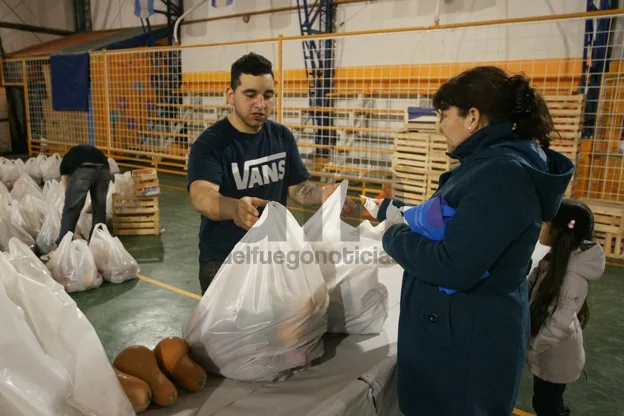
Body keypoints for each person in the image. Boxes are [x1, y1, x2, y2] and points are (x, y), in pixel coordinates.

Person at [375, 66, 575, 415]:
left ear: (472, 117)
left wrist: (393, 236)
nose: (439, 125)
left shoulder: (502, 175)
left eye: (443, 115)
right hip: (459, 332)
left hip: (466, 345)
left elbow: (454, 266)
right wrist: (389, 210)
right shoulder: (486, 166)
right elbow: (447, 220)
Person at [187, 52, 355, 295]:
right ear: (230, 95)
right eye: (250, 94)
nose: (260, 103)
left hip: (272, 255)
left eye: (268, 95)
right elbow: (202, 196)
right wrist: (235, 208)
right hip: (225, 260)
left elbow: (296, 187)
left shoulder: (281, 137)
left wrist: (322, 194)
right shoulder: (211, 144)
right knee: (227, 333)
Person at [527, 199, 605, 416]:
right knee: (549, 401)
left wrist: (531, 350)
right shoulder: (557, 260)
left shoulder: (570, 276)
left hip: (555, 356)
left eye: (546, 224)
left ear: (559, 231)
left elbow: (557, 324)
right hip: (551, 352)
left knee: (545, 404)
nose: (543, 228)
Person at [56, 144, 110, 245]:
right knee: (99, 210)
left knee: (71, 210)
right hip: (104, 169)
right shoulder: (87, 151)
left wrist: (70, 199)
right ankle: (97, 242)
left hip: (85, 168)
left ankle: (63, 244)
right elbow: (98, 200)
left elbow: (67, 189)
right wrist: (91, 205)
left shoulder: (65, 162)